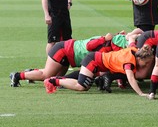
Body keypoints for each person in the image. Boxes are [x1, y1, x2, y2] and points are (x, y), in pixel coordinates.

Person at [9, 31, 138, 87]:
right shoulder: (103, 43)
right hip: (63, 50)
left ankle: (30, 73)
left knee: (55, 78)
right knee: (46, 75)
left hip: (68, 55)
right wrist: (104, 39)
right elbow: (88, 45)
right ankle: (17, 75)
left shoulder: (110, 48)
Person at [44, 46, 154, 96]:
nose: (146, 65)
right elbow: (131, 78)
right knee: (82, 86)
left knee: (84, 81)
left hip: (97, 62)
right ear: (140, 58)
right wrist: (140, 93)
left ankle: (58, 80)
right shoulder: (129, 62)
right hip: (94, 61)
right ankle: (53, 81)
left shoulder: (134, 50)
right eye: (146, 62)